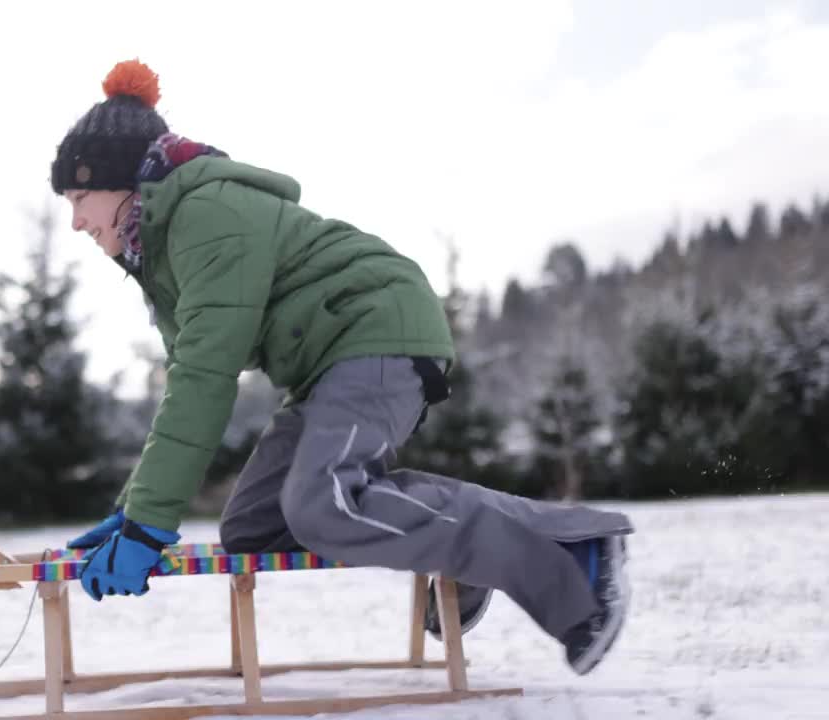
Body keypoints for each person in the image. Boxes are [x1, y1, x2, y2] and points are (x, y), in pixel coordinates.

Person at [50, 59, 633, 676]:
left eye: (82, 197)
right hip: (329, 364)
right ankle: (466, 542)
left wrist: (148, 524)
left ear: (121, 183)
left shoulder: (206, 215)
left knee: (322, 505)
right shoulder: (160, 246)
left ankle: (576, 565)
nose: (77, 220)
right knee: (255, 526)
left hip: (376, 331)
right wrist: (135, 508)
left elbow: (204, 378)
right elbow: (188, 383)